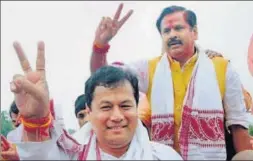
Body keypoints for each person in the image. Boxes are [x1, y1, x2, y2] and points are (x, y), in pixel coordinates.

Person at [89, 3, 252, 160]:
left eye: (179, 28)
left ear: (194, 32)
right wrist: (100, 46)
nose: (172, 34)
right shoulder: (150, 68)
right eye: (166, 31)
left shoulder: (222, 67)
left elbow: (238, 125)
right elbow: (103, 80)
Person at [1, 41, 182, 160]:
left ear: (136, 107)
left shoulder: (165, 157)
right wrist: (36, 121)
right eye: (106, 107)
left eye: (125, 105)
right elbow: (37, 155)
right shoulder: (70, 155)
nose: (117, 116)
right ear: (89, 111)